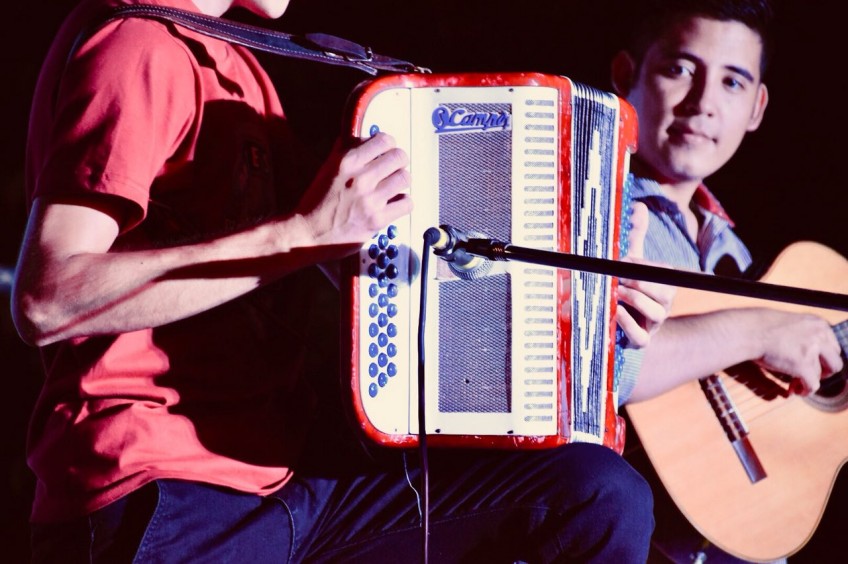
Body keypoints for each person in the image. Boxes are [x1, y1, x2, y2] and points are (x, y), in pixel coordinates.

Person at [12, 0, 673, 562]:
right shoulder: (136, 44)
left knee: (595, 493)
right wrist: (302, 233)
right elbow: (47, 298)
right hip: (159, 493)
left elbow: (343, 255)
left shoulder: (240, 66)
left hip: (285, 486)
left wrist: (579, 299)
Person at [605, 0, 845, 559]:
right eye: (680, 69)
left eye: (732, 82)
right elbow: (594, 372)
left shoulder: (733, 253)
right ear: (625, 75)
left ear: (757, 107)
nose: (703, 103)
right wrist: (759, 329)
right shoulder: (593, 210)